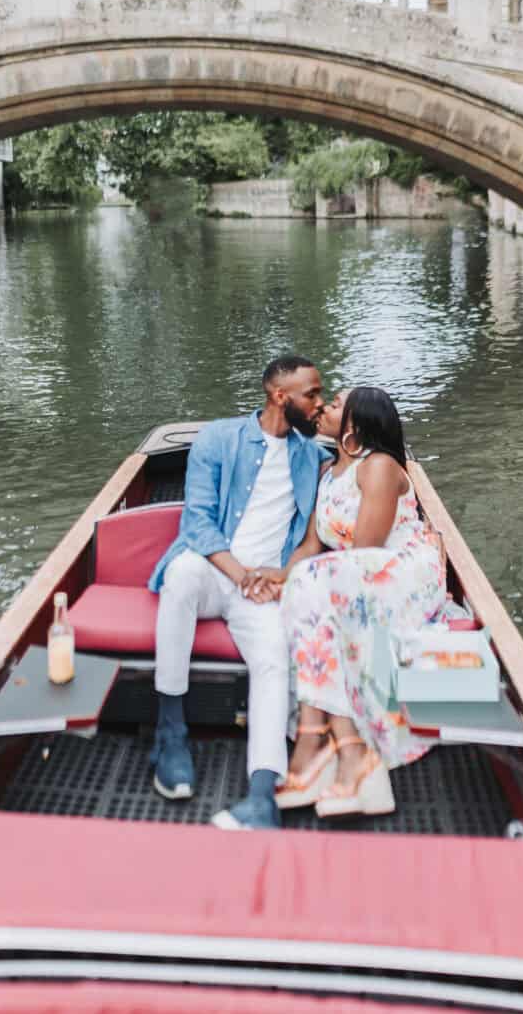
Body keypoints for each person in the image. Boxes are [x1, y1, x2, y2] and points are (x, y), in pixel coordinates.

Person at [148, 354, 325, 830]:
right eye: (312, 394)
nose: (319, 403)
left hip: (261, 590)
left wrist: (278, 576)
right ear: (280, 396)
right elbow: (197, 524)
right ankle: (170, 733)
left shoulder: (313, 458)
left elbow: (311, 537)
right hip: (214, 570)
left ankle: (263, 793)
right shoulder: (218, 438)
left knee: (274, 657)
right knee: (181, 575)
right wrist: (241, 574)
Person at [260, 386, 447, 818]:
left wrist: (305, 579)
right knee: (301, 586)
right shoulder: (327, 472)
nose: (324, 407)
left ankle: (313, 738)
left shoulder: (378, 466)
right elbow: (311, 546)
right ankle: (347, 747)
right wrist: (275, 576)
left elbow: (366, 549)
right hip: (349, 574)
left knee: (311, 585)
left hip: (400, 570)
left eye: (335, 404)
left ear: (356, 424)